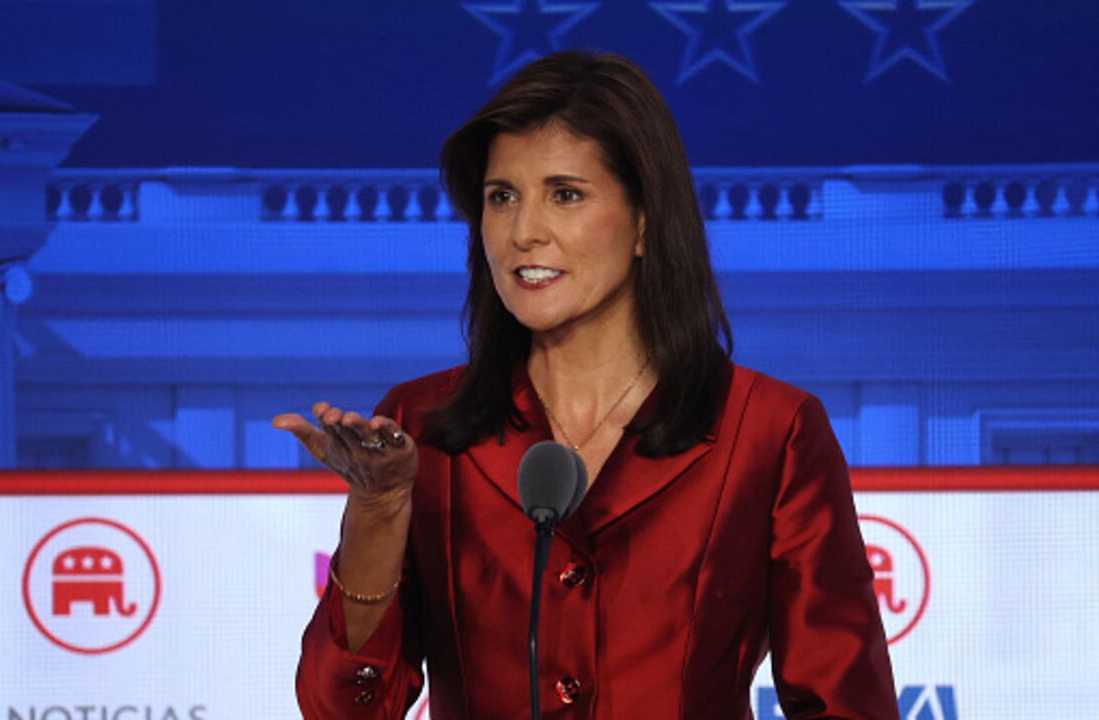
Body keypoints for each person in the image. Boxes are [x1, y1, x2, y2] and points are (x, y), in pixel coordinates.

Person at [274, 50, 898, 719]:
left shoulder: (770, 430)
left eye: (565, 195)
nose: (523, 232)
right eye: (501, 198)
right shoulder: (421, 425)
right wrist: (379, 509)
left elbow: (847, 704)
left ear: (643, 221)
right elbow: (342, 710)